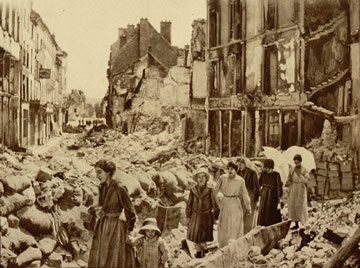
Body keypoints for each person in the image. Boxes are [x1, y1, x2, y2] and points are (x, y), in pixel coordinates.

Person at [88, 159, 137, 268]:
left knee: (113, 256)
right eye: (96, 172)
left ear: (108, 172)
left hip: (116, 227)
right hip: (103, 225)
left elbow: (130, 210)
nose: (97, 175)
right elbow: (101, 206)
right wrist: (95, 211)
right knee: (101, 255)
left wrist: (129, 230)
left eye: (99, 172)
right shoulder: (102, 187)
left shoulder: (119, 188)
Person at [214, 162, 251, 248]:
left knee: (235, 224)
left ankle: (235, 246)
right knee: (224, 224)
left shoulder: (241, 180)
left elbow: (245, 194)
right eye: (228, 169)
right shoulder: (222, 178)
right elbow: (215, 190)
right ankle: (223, 246)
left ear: (236, 170)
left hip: (235, 202)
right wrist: (218, 202)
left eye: (232, 169)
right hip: (225, 202)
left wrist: (248, 206)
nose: (230, 171)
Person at [186, 167, 219, 258]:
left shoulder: (210, 190)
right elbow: (189, 204)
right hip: (196, 216)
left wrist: (216, 216)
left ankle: (203, 251)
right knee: (196, 236)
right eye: (199, 177)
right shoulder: (193, 190)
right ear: (196, 179)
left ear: (206, 178)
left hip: (206, 216)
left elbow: (214, 204)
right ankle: (198, 252)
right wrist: (188, 215)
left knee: (204, 236)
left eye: (203, 177)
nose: (201, 179)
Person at [236, 157, 260, 234]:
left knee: (249, 215)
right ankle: (241, 233)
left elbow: (256, 186)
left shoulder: (252, 172)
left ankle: (248, 232)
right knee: (241, 215)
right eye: (238, 165)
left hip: (250, 194)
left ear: (244, 164)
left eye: (240, 165)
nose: (239, 166)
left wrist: (256, 199)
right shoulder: (238, 172)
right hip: (241, 195)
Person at [286, 154, 309, 229]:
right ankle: (296, 223)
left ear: (300, 161)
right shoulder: (292, 169)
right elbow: (289, 178)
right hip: (293, 187)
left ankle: (303, 223)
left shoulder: (304, 169)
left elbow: (306, 179)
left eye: (298, 162)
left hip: (301, 187)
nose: (296, 163)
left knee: (301, 205)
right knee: (293, 205)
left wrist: (300, 175)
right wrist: (287, 184)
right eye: (295, 162)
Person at [257, 158, 283, 226]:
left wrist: (279, 198)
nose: (268, 170)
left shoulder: (276, 175)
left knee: (271, 211)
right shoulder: (263, 174)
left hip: (273, 195)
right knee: (264, 210)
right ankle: (264, 224)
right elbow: (259, 184)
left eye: (269, 168)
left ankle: (272, 225)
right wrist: (258, 193)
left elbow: (279, 186)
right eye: (266, 168)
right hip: (265, 194)